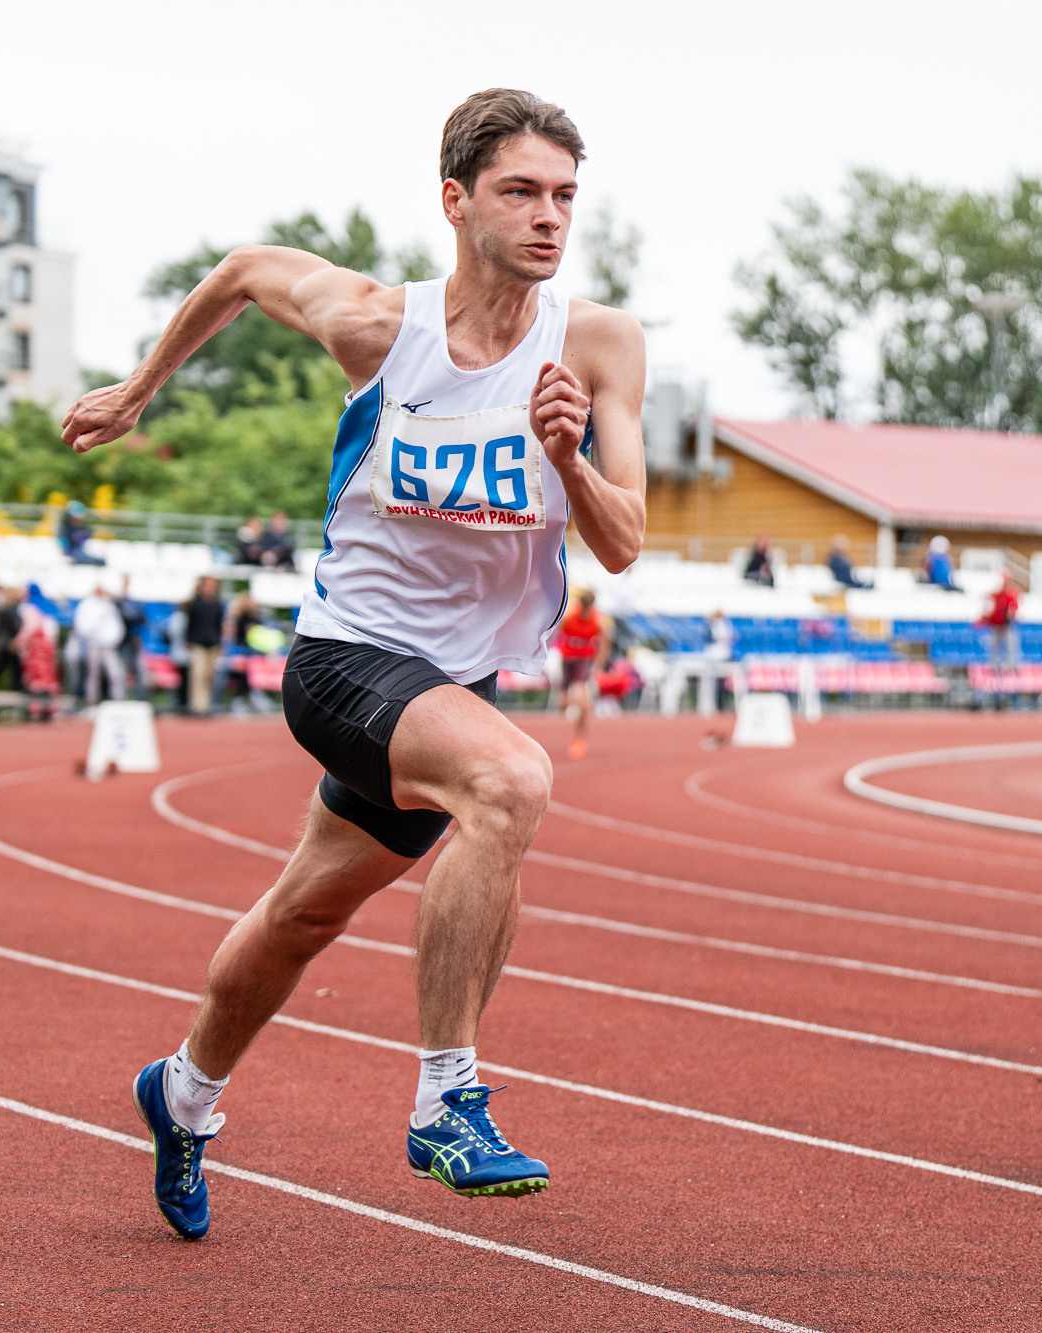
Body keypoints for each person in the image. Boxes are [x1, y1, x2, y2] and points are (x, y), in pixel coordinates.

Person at [62, 88, 644, 1238]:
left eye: (564, 197)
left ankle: (180, 1095)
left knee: (299, 917)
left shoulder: (598, 344)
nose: (547, 218)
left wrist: (569, 462)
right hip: (344, 661)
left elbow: (621, 542)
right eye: (520, 191)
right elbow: (239, 270)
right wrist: (139, 390)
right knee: (511, 783)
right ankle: (446, 1098)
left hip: (448, 688)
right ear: (455, 200)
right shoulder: (380, 324)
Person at [554, 587, 611, 759]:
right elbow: (555, 633)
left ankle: (579, 739)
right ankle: (574, 705)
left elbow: (605, 644)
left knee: (583, 702)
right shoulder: (570, 617)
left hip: (584, 661)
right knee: (563, 703)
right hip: (567, 660)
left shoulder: (598, 620)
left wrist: (598, 665)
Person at [72, 581, 128, 707]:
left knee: (115, 674)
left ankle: (118, 702)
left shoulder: (109, 606)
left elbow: (117, 626)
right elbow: (82, 628)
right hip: (93, 645)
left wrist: (114, 640)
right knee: (93, 676)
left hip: (109, 646)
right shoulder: (87, 605)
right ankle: (92, 703)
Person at [180, 575, 226, 717]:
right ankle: (197, 707)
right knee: (197, 676)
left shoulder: (217, 604)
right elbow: (189, 624)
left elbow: (219, 625)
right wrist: (188, 641)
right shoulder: (195, 603)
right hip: (198, 643)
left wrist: (220, 643)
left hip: (212, 644)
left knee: (208, 677)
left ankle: (205, 706)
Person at [980, 571, 1021, 673]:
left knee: (1010, 646)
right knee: (994, 647)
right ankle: (994, 667)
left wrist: (1011, 614)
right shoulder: (994, 595)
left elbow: (1014, 607)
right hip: (994, 625)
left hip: (1006, 625)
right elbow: (988, 609)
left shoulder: (1010, 594)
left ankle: (1012, 667)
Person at [117, 576, 151, 700]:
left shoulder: (134, 602)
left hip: (134, 642)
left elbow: (141, 619)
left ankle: (141, 699)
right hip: (122, 643)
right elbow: (124, 618)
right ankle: (121, 699)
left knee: (139, 673)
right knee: (122, 674)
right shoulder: (118, 602)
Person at [59, 501, 106, 566]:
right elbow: (64, 544)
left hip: (82, 550)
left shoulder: (83, 527)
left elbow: (87, 537)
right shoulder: (65, 528)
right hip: (73, 551)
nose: (77, 519)